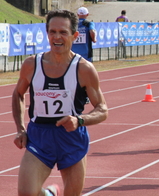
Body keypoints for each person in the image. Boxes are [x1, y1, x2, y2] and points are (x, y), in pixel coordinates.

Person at [12, 10, 108, 196]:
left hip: (71, 138)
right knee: (26, 194)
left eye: (63, 32)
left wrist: (79, 120)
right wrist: (20, 128)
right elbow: (18, 94)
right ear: (47, 34)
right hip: (39, 136)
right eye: (52, 32)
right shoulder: (32, 65)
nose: (57, 37)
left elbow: (102, 110)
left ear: (74, 35)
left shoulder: (84, 69)